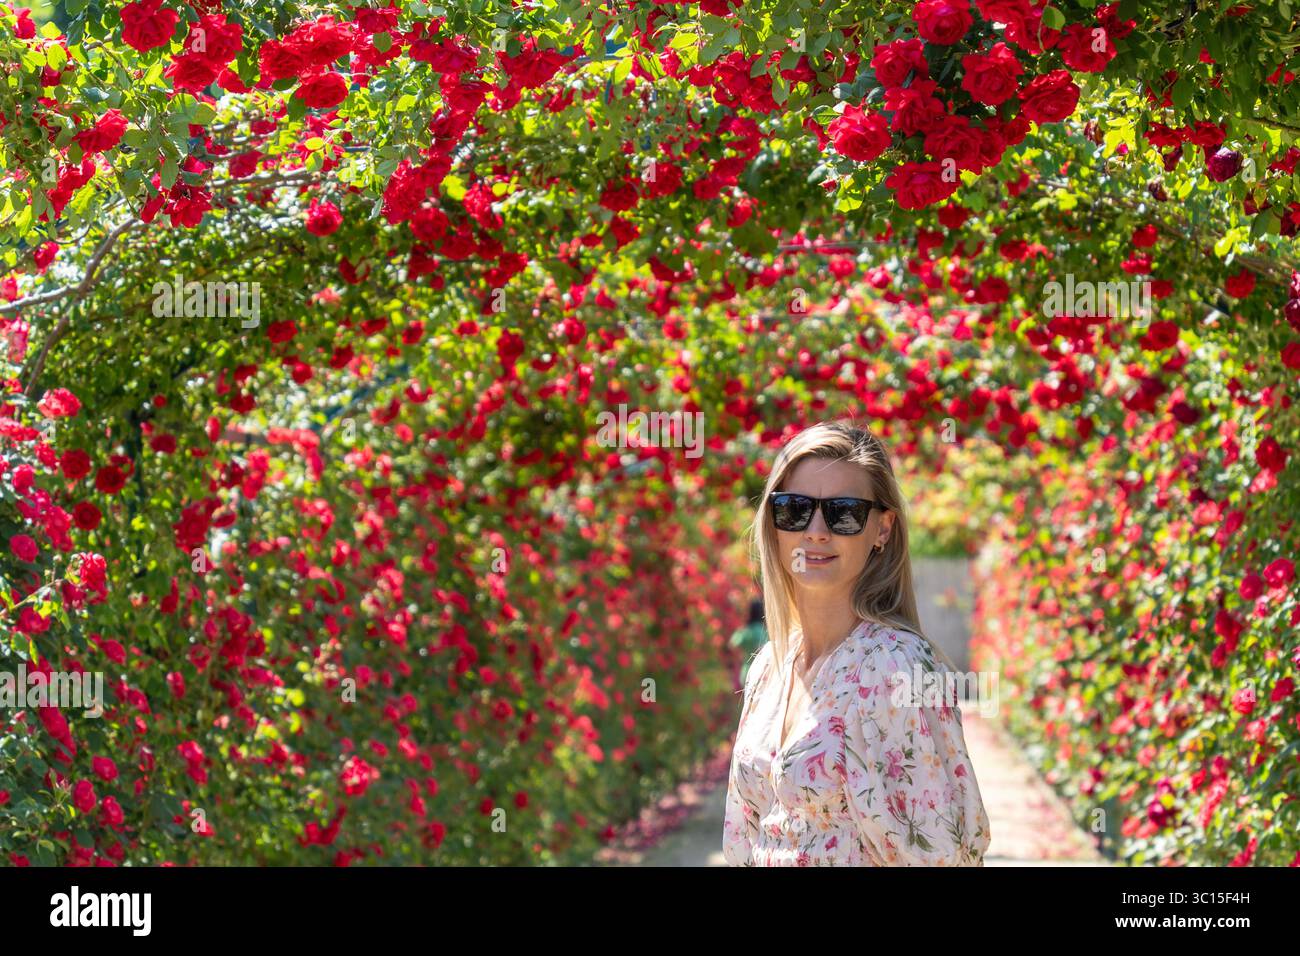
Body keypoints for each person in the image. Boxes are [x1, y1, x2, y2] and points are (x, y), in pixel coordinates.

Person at [722, 420, 991, 866]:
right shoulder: (769, 665)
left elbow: (943, 856)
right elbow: (742, 839)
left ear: (882, 529)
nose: (816, 531)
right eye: (794, 508)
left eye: (844, 512)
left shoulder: (896, 666)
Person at [728, 597, 768, 687]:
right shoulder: (763, 631)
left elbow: (732, 645)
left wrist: (740, 657)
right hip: (763, 673)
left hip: (746, 671)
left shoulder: (745, 630)